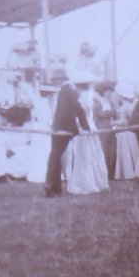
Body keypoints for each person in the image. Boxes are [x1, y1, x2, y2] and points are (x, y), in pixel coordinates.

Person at [44, 69, 90, 197]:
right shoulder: (71, 91)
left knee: (54, 157)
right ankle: (55, 187)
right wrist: (85, 127)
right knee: (56, 157)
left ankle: (51, 186)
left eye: (55, 80)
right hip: (66, 129)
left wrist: (58, 128)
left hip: (62, 130)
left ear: (60, 80)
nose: (54, 82)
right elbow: (79, 111)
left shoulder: (64, 92)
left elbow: (64, 113)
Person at [66, 72, 109, 194]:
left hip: (82, 125)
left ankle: (84, 183)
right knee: (92, 153)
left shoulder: (79, 98)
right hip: (90, 125)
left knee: (82, 154)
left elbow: (79, 114)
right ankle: (97, 181)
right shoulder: (91, 96)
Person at [113, 85, 139, 180]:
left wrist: (113, 123)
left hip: (125, 132)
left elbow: (125, 122)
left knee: (126, 152)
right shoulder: (130, 106)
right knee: (132, 151)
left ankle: (128, 172)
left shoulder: (124, 107)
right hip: (129, 132)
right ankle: (133, 171)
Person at [93, 80, 118, 180]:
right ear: (103, 91)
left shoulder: (111, 102)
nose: (110, 94)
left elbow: (115, 115)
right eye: (108, 92)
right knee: (103, 151)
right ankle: (103, 174)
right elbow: (94, 116)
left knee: (112, 151)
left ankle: (111, 173)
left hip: (111, 129)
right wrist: (103, 114)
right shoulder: (96, 102)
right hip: (101, 129)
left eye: (111, 92)